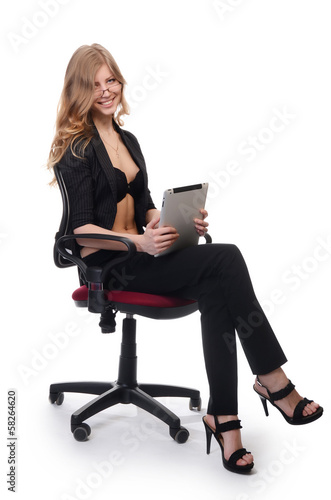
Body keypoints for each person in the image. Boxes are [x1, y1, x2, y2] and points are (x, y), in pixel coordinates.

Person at [47, 44, 323, 474]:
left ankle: (224, 420)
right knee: (226, 258)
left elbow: (143, 206)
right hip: (113, 268)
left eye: (111, 80)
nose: (106, 91)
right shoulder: (76, 148)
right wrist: (139, 242)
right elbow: (80, 231)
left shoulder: (128, 139)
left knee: (217, 283)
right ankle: (272, 381)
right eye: (95, 85)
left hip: (145, 253)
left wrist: (172, 223)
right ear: (79, 92)